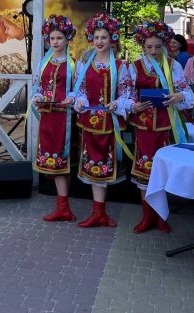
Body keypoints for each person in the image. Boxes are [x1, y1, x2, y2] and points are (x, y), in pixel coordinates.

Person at [129, 22, 194, 234]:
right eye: (149, 47)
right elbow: (125, 95)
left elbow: (186, 92)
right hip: (144, 126)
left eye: (157, 46)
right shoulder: (134, 66)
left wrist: (178, 96)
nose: (154, 51)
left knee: (162, 170)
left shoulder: (173, 65)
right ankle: (147, 215)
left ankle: (160, 215)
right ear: (143, 46)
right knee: (144, 169)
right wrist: (133, 105)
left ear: (164, 45)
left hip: (166, 126)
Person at [73, 13, 132, 228]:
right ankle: (97, 212)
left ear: (112, 39)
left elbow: (128, 94)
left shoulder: (122, 65)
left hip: (110, 125)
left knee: (106, 166)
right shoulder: (84, 64)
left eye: (104, 37)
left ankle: (102, 212)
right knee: (92, 165)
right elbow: (79, 90)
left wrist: (117, 104)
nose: (99, 41)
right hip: (90, 124)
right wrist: (79, 101)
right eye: (96, 37)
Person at [32, 14, 77, 222]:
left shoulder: (74, 64)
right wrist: (39, 96)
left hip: (64, 119)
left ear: (67, 38)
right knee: (54, 162)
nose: (55, 42)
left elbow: (79, 89)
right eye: (52, 38)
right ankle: (62, 206)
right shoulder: (43, 63)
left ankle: (63, 206)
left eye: (59, 38)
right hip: (47, 116)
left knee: (62, 162)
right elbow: (38, 86)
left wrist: (72, 98)